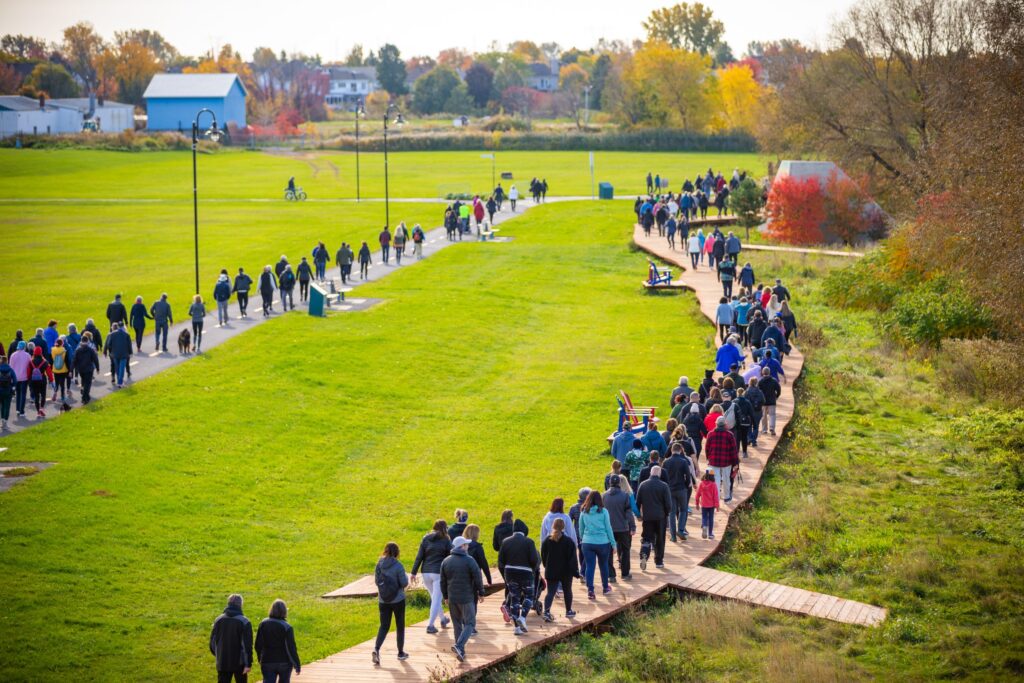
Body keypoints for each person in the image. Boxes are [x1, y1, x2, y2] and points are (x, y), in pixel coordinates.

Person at [441, 536, 484, 661]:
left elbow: (443, 581)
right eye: (466, 544)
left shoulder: (446, 561)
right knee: (470, 623)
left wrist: (445, 596)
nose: (468, 546)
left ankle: (461, 652)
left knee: (457, 624)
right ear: (462, 547)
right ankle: (459, 646)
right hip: (466, 598)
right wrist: (481, 592)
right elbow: (477, 577)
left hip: (452, 598)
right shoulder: (469, 560)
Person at [410, 519, 452, 634]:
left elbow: (419, 557)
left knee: (435, 598)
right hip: (438, 573)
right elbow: (450, 557)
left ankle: (443, 619)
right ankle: (430, 625)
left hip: (425, 572)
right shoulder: (446, 540)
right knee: (436, 599)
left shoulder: (425, 538)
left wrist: (413, 573)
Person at [497, 525, 539, 635]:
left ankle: (517, 628)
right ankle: (523, 617)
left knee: (514, 599)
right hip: (525, 573)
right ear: (525, 531)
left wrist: (505, 576)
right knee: (529, 596)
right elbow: (534, 560)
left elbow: (501, 561)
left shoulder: (505, 542)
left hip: (510, 572)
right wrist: (533, 571)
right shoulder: (529, 542)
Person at [373, 542, 410, 664]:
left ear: (385, 551)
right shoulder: (398, 565)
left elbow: (376, 581)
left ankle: (376, 649)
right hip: (398, 600)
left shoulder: (379, 564)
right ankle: (400, 653)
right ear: (397, 552)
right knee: (400, 626)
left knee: (384, 626)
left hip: (383, 600)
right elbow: (404, 583)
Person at [577, 490, 616, 600]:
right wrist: (613, 544)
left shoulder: (584, 512)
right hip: (603, 542)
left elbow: (581, 528)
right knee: (603, 565)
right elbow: (609, 528)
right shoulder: (603, 511)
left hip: (587, 542)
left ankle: (590, 590)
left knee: (590, 566)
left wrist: (582, 538)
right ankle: (605, 587)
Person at [540, 518, 579, 621]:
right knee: (567, 591)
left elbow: (543, 555)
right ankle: (568, 611)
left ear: (553, 526)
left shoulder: (547, 541)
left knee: (551, 592)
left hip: (551, 570)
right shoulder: (568, 542)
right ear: (563, 527)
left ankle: (547, 612)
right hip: (565, 572)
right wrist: (575, 571)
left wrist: (546, 565)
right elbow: (572, 559)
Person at [210, 594, 253, 683]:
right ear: (240, 604)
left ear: (228, 603)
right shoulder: (245, 622)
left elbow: (212, 642)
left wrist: (219, 655)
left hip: (222, 661)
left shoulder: (218, 620)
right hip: (239, 663)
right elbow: (247, 645)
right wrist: (248, 664)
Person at [255, 600, 301, 682]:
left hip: (267, 660)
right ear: (284, 611)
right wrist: (296, 664)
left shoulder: (263, 624)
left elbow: (258, 644)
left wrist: (260, 657)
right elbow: (291, 647)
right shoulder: (287, 627)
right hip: (284, 662)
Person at [636, 465, 672, 569]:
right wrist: (666, 513)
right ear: (659, 474)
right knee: (660, 539)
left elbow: (638, 502)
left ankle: (644, 554)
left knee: (646, 538)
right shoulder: (664, 486)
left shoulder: (643, 485)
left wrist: (639, 515)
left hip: (647, 517)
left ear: (650, 473)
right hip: (660, 517)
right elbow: (668, 504)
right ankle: (659, 561)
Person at [603, 475, 635, 581]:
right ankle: (625, 573)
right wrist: (632, 526)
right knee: (625, 550)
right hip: (623, 528)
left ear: (610, 483)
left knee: (608, 551)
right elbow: (629, 513)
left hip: (608, 529)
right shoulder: (625, 496)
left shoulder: (604, 496)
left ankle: (611, 575)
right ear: (619, 483)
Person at [662, 442, 696, 542]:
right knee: (683, 510)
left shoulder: (666, 462)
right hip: (681, 489)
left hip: (670, 489)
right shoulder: (683, 461)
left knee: (671, 513)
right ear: (680, 450)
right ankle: (681, 529)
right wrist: (686, 485)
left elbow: (663, 477)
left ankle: (673, 536)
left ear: (672, 450)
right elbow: (688, 476)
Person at [706, 417, 739, 502]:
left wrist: (708, 458)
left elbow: (707, 448)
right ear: (725, 424)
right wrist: (736, 463)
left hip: (713, 461)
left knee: (716, 480)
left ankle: (716, 498)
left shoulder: (710, 434)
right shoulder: (729, 435)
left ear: (716, 424)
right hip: (726, 462)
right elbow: (734, 450)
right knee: (726, 479)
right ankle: (727, 497)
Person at [73, 331, 100, 404]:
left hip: (81, 369)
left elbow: (74, 360)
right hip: (89, 368)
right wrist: (97, 368)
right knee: (88, 383)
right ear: (87, 341)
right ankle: (84, 397)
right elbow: (95, 359)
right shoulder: (90, 349)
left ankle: (85, 394)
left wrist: (71, 370)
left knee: (84, 380)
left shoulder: (78, 349)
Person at [104, 323, 132, 388]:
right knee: (122, 368)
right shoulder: (126, 335)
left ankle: (119, 381)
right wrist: (130, 353)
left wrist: (110, 350)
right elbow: (129, 345)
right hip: (124, 354)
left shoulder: (112, 334)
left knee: (117, 368)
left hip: (115, 354)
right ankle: (120, 382)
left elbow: (109, 344)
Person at [695, 469, 720, 539]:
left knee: (704, 517)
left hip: (704, 504)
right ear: (712, 476)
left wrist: (697, 504)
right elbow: (715, 496)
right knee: (711, 518)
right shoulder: (713, 484)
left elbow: (697, 495)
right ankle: (710, 534)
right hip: (711, 505)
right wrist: (717, 506)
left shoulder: (701, 484)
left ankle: (704, 526)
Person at [758, 367, 782, 437]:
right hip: (772, 401)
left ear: (763, 372)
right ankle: (772, 428)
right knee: (772, 415)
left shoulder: (760, 381)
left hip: (763, 402)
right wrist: (776, 396)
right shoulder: (774, 381)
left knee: (763, 416)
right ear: (769, 372)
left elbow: (758, 391)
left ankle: (764, 429)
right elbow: (779, 390)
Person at [9, 342, 30, 417]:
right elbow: (29, 366)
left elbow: (10, 367)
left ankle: (18, 409)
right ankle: (22, 411)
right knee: (23, 394)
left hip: (15, 377)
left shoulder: (13, 355)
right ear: (24, 347)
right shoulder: (27, 355)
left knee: (18, 393)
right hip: (24, 377)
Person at [50, 339, 69, 403]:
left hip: (55, 369)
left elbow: (51, 360)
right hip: (63, 369)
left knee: (57, 382)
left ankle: (55, 392)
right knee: (62, 384)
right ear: (62, 344)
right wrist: (69, 369)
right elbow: (66, 361)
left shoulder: (53, 350)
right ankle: (62, 396)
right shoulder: (64, 350)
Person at [0, 354, 12, 430]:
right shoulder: (10, 369)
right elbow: (15, 379)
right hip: (8, 390)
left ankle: (2, 421)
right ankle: (5, 422)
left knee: (2, 406)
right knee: (7, 406)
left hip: (0, 390)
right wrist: (13, 386)